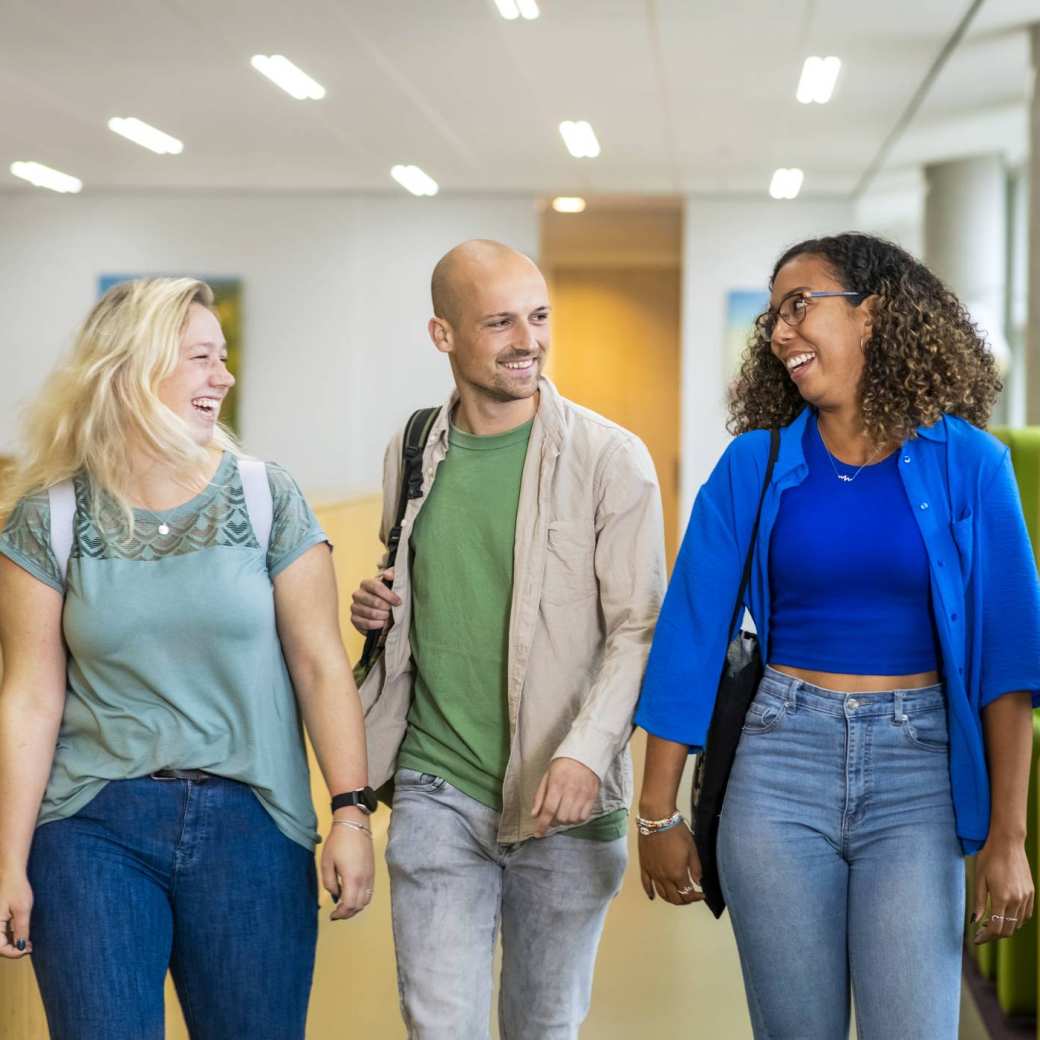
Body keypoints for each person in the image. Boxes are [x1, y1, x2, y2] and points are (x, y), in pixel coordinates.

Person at [635, 232, 1040, 1039]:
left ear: (872, 315)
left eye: (800, 306)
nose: (780, 330)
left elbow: (1007, 664)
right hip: (780, 762)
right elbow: (690, 631)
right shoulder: (753, 464)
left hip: (919, 774)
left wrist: (1008, 834)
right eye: (774, 316)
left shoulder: (972, 464)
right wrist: (657, 813)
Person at [0, 278, 375, 1040]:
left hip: (253, 825)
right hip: (90, 828)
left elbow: (320, 665)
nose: (223, 378)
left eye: (224, 358)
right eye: (203, 358)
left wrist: (351, 813)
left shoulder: (268, 497)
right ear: (133, 372)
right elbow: (30, 697)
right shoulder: (51, 516)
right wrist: (7, 859)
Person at [349, 239, 666, 1038]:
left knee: (543, 1025)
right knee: (438, 1026)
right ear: (443, 335)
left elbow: (640, 628)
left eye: (538, 316)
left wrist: (586, 751)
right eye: (499, 322)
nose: (528, 340)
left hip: (565, 801)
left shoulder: (610, 459)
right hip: (436, 785)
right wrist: (382, 606)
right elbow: (422, 576)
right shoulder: (413, 447)